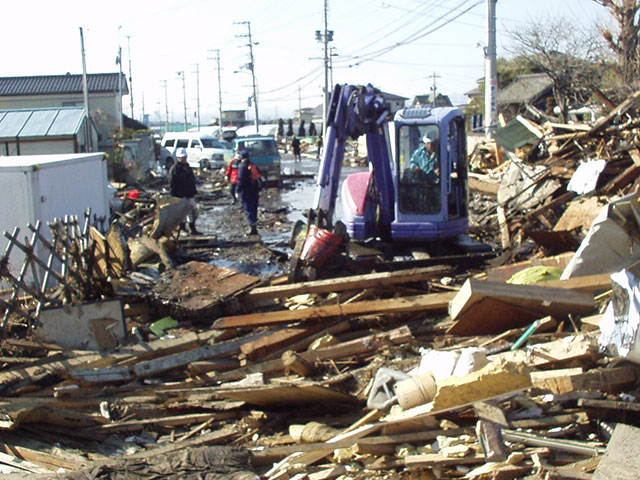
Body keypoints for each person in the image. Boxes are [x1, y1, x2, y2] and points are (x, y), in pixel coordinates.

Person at [168, 147, 200, 234]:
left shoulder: (187, 167)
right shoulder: (174, 169)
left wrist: (194, 191)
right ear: (178, 158)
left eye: (185, 157)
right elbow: (172, 183)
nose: (184, 159)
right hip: (180, 195)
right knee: (182, 213)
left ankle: (192, 228)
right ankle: (182, 229)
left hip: (189, 194)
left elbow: (192, 180)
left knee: (192, 211)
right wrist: (173, 196)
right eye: (182, 157)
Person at [237, 149, 262, 236]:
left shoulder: (242, 166)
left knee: (248, 209)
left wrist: (238, 191)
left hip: (246, 191)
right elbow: (260, 177)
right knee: (254, 208)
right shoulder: (253, 165)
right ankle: (254, 226)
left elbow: (240, 180)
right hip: (254, 190)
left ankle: (252, 228)